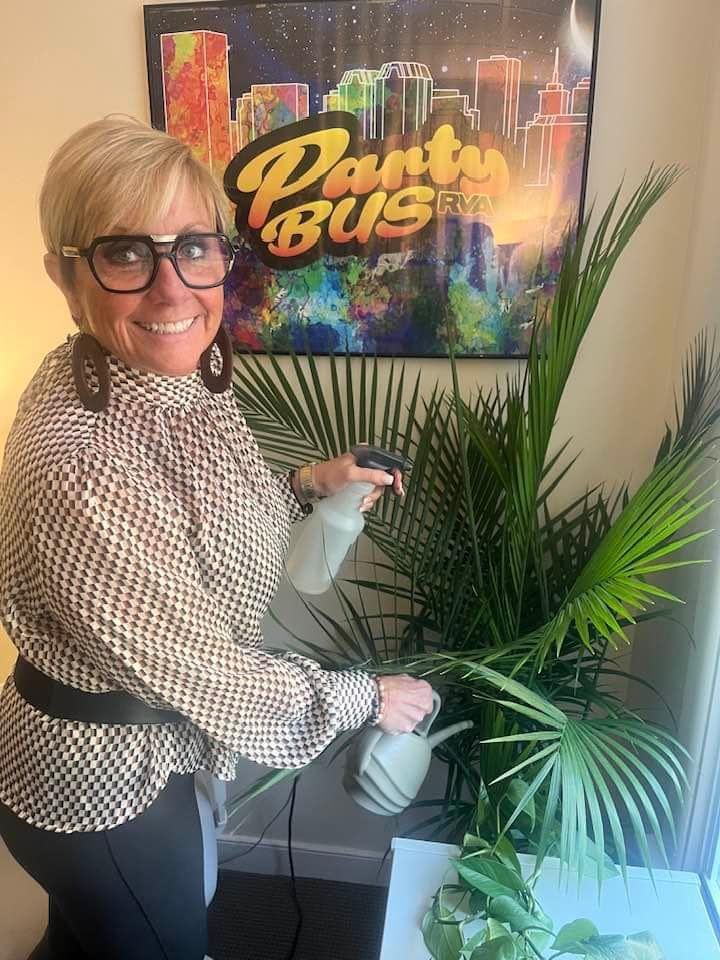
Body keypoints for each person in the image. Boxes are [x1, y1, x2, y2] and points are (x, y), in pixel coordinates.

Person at [0, 115, 433, 960]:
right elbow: (208, 672)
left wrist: (311, 484)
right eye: (126, 253)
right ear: (65, 274)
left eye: (194, 248)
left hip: (134, 755)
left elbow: (197, 522)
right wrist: (367, 698)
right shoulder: (83, 464)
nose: (173, 292)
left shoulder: (165, 377)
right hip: (104, 785)